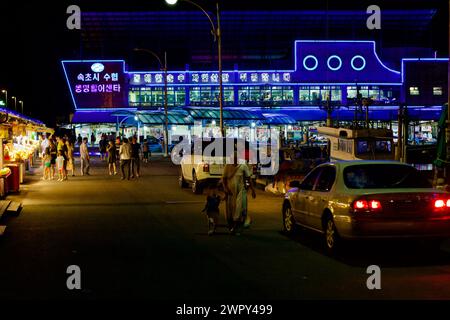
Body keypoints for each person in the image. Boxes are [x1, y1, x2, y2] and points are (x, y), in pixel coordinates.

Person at [221, 151, 256, 235]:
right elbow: (224, 179)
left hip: (241, 191)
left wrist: (253, 190)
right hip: (230, 192)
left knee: (240, 208)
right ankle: (232, 227)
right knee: (231, 210)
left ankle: (237, 228)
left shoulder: (243, 166)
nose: (234, 161)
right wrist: (226, 189)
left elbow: (249, 178)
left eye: (235, 159)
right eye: (233, 159)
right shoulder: (227, 166)